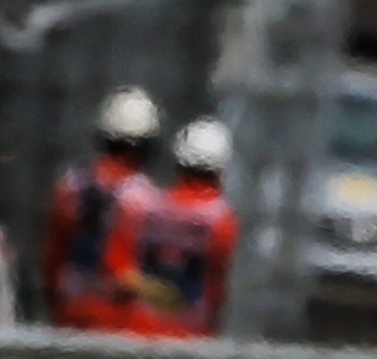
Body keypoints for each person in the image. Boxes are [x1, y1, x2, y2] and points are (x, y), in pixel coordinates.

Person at [44, 88, 161, 333]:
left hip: (70, 313)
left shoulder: (70, 185)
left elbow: (53, 257)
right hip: (121, 321)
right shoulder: (146, 199)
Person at [118, 114, 240, 338]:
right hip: (189, 336)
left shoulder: (145, 205)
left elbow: (125, 269)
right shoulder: (222, 220)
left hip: (136, 330)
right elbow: (215, 286)